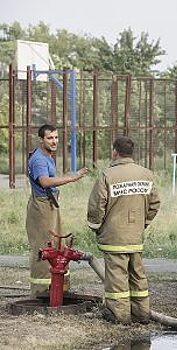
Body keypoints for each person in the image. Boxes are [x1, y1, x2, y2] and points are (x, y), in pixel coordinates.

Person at [86, 136, 160, 324]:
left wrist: (95, 226)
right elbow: (154, 204)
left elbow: (97, 206)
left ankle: (119, 315)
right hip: (135, 236)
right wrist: (143, 223)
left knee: (117, 277)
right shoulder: (146, 174)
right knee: (137, 275)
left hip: (114, 237)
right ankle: (142, 313)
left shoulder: (107, 175)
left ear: (115, 151)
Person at [26, 124, 88, 297]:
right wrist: (71, 177)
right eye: (50, 138)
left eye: (56, 137)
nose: (54, 141)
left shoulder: (48, 156)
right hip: (41, 207)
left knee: (58, 245)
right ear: (41, 140)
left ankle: (59, 288)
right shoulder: (39, 159)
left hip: (50, 204)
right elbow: (45, 182)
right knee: (44, 248)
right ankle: (41, 293)